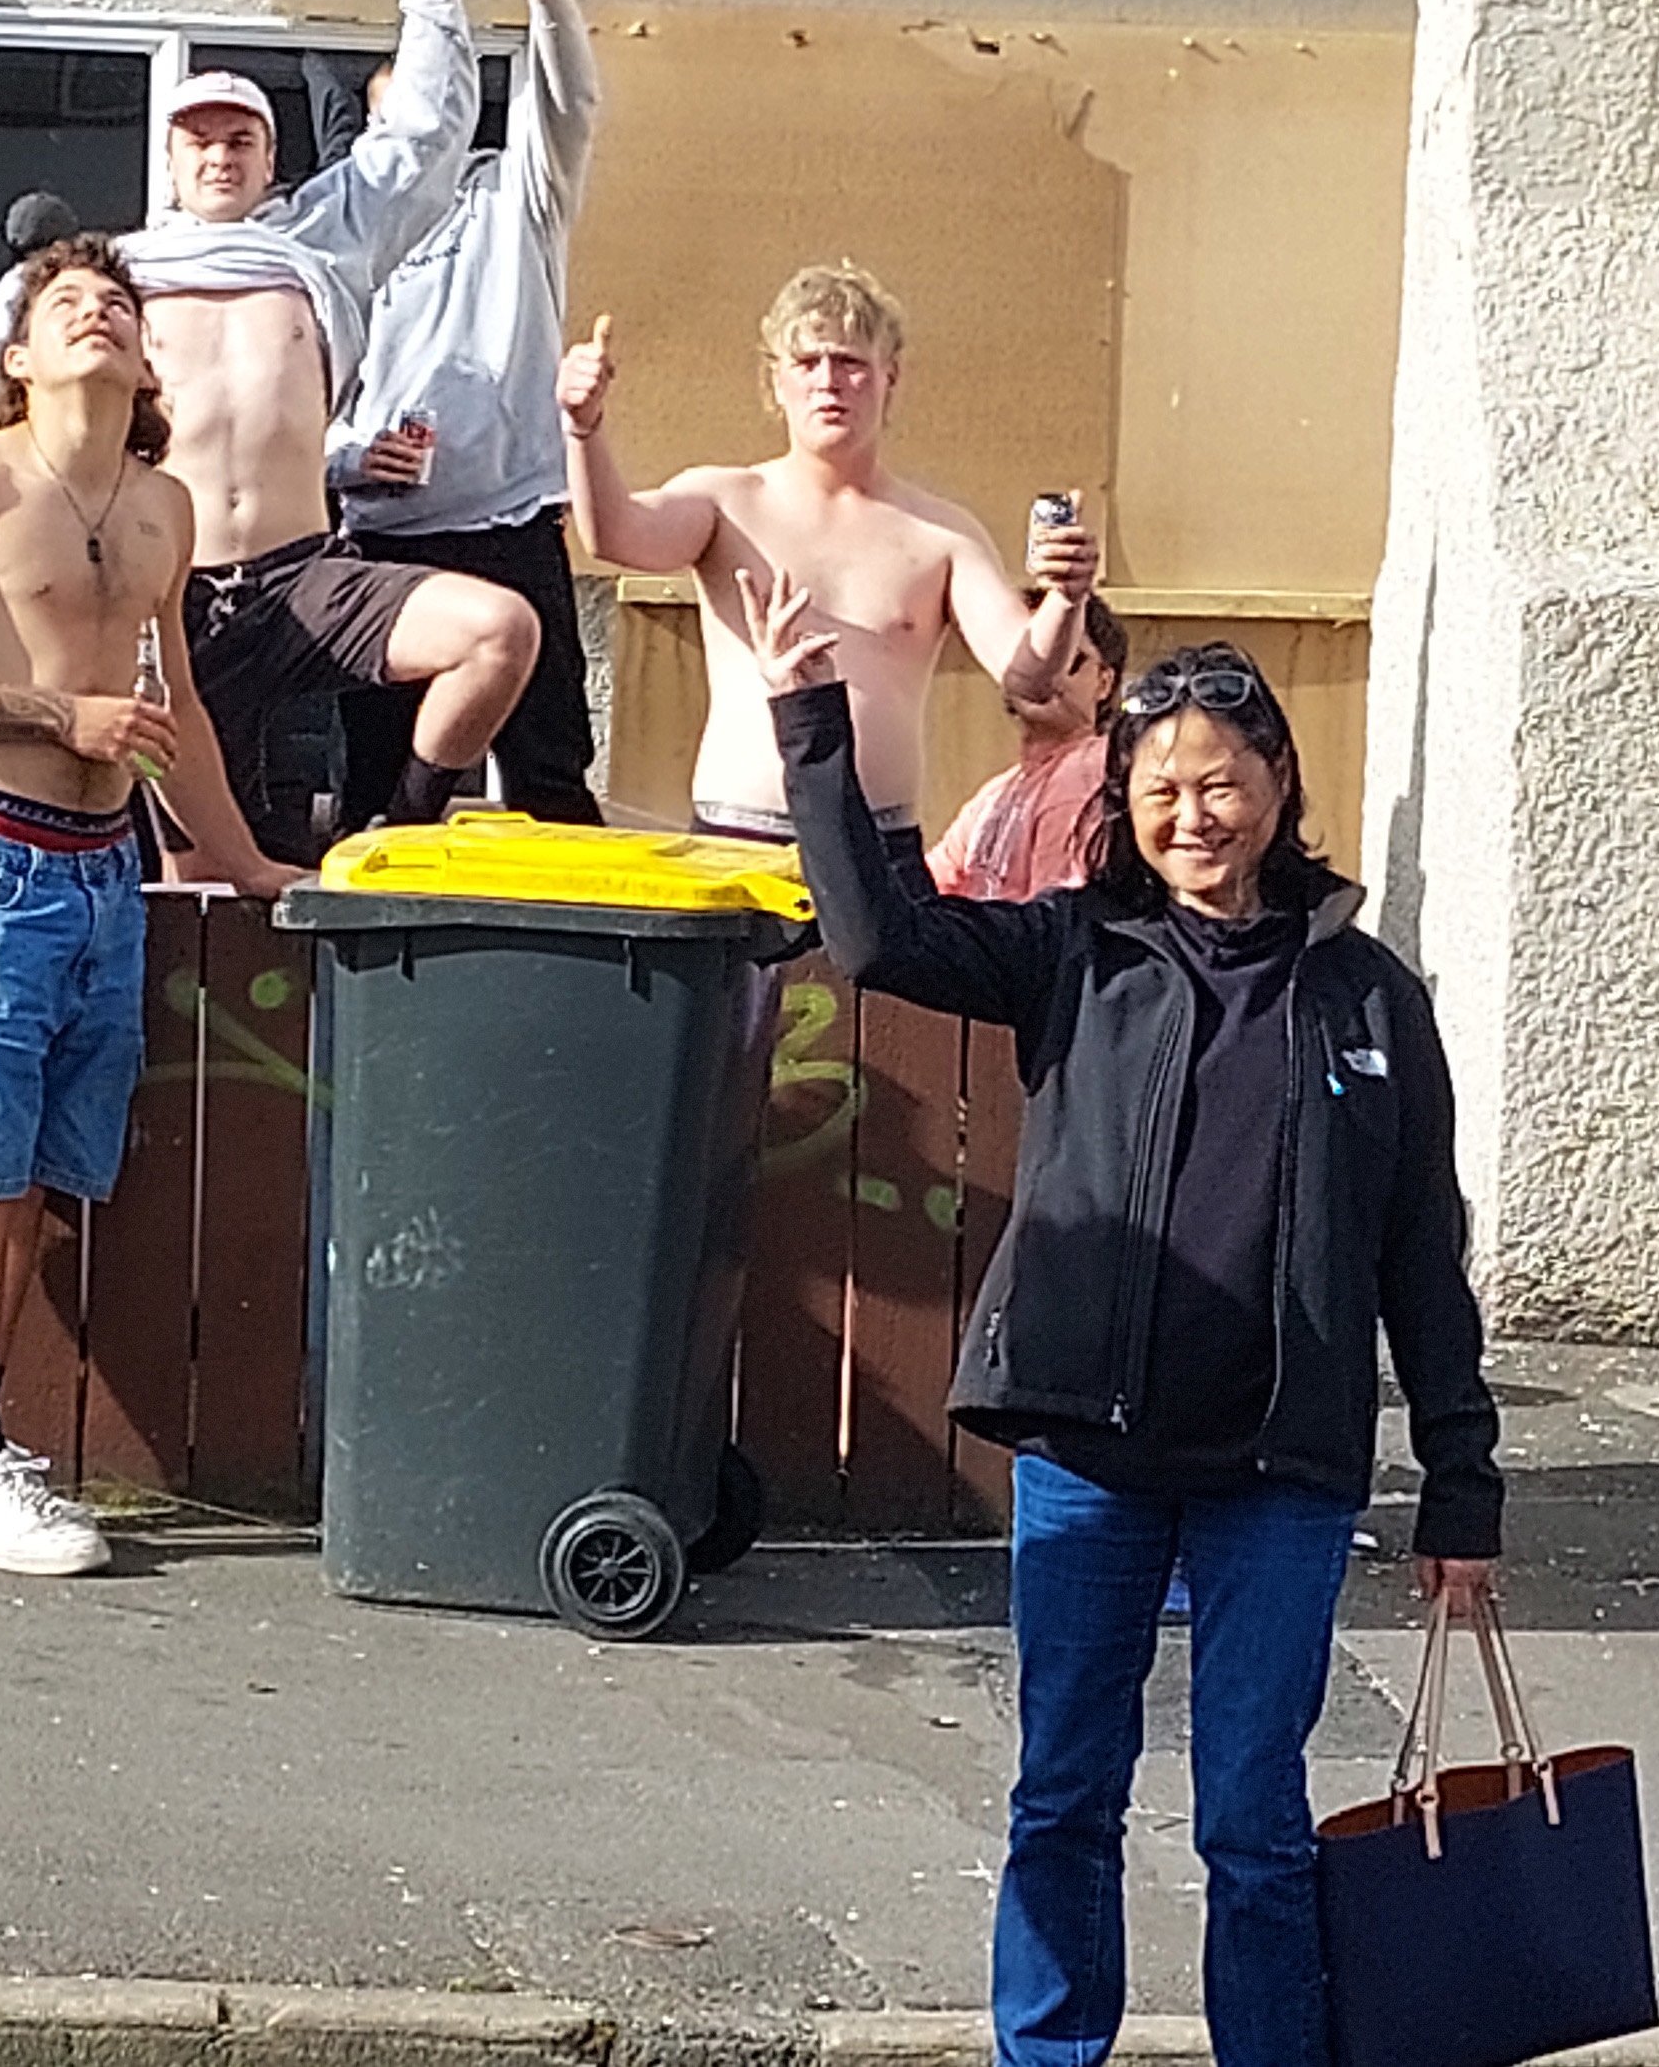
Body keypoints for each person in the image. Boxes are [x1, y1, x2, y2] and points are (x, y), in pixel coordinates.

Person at [765, 591, 1501, 2067]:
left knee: (1254, 1819)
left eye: (1222, 780)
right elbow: (880, 939)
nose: (1193, 813)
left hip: (1279, 1477)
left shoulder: (1368, 998)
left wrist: (1463, 1480)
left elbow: (1425, 1251)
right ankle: (1050, 2051)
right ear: (1124, 805)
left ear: (1282, 786)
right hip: (1091, 1462)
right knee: (1064, 1797)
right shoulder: (1074, 956)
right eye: (1158, 789)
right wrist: (813, 731)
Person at [0, 236, 293, 1577]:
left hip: (106, 864)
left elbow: (185, 715)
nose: (97, 313)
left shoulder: (168, 507)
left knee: (41, 1159)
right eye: (64, 306)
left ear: (146, 357)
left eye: (117, 302)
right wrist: (58, 711)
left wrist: (252, 861)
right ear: (21, 356)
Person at [0, 0, 537, 865]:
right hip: (172, 597)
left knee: (499, 633)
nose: (220, 156)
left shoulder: (322, 247)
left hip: (304, 578)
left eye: (241, 140)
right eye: (200, 141)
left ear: (272, 161)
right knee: (202, 874)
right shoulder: (119, 276)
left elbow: (421, 138)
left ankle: (402, 825)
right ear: (170, 163)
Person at [560, 263, 1098, 844]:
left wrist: (1067, 598)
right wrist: (584, 429)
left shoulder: (942, 534)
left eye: (850, 363)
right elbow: (615, 535)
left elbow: (1026, 676)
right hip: (736, 838)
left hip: (879, 847)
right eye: (807, 361)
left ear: (890, 377)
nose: (828, 381)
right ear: (776, 382)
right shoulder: (725, 500)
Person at [322, 0, 604, 832]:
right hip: (383, 545)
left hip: (511, 528)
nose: (416, 137)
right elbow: (295, 400)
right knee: (382, 789)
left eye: (434, 108)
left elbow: (570, 100)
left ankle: (572, 964)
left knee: (549, 782)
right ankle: (373, 960)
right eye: (394, 124)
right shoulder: (341, 229)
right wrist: (349, 459)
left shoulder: (514, 197)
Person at [927, 597, 1123, 902]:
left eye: (1068, 659)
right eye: (1028, 658)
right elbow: (927, 890)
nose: (1045, 674)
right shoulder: (995, 793)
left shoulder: (1092, 770)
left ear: (1104, 682)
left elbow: (1054, 923)